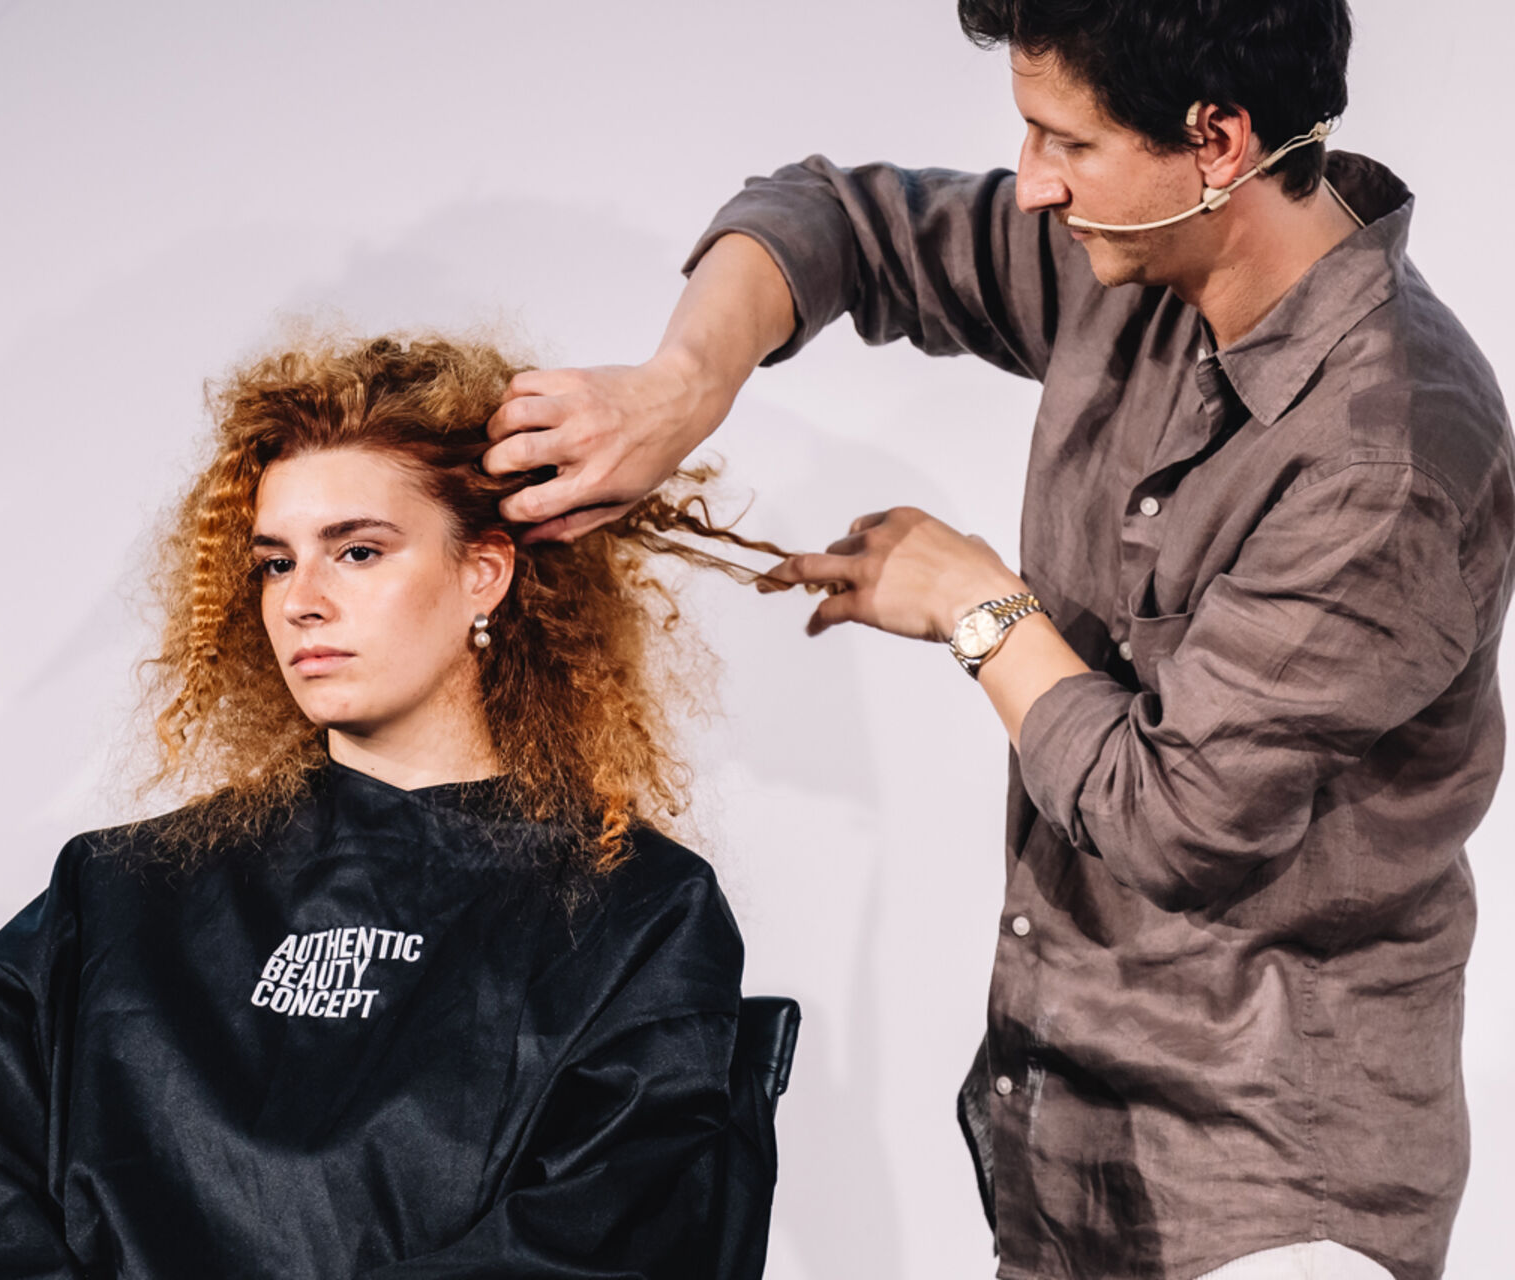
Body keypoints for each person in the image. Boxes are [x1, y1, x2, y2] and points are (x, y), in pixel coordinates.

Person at [480, 3, 1513, 1279]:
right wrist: (678, 386)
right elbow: (835, 221)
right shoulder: (1137, 256)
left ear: (1218, 141)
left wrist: (976, 603)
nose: (1031, 184)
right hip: (1059, 1146)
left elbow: (1180, 818)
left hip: (1267, 1195)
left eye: (1064, 142)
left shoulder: (1384, 455)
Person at [0, 333, 787, 1278]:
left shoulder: (637, 915)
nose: (301, 601)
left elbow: (602, 1243)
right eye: (275, 563)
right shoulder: (114, 894)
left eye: (357, 551)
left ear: (483, 572)